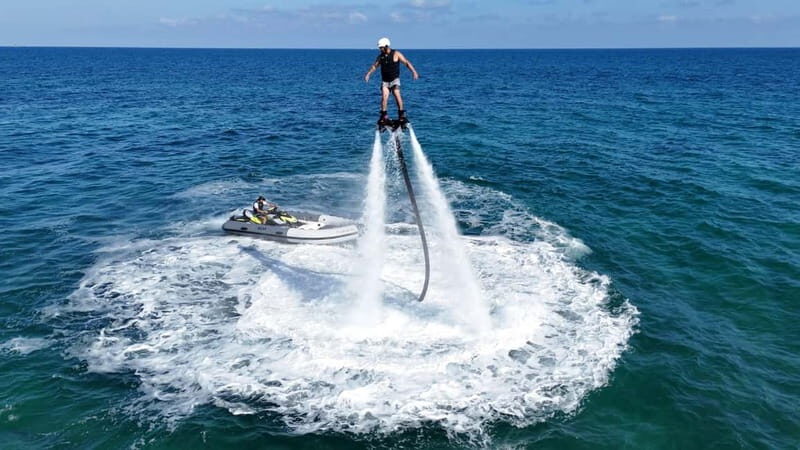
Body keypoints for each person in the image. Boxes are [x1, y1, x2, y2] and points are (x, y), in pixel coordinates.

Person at [364, 37, 419, 126]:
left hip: (394, 80)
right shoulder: (381, 56)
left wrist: (414, 72)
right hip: (385, 81)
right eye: (379, 48)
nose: (380, 49)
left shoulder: (396, 54)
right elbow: (374, 66)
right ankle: (384, 116)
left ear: (386, 46)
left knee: (397, 96)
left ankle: (402, 115)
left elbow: (406, 62)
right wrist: (368, 74)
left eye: (381, 47)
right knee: (384, 97)